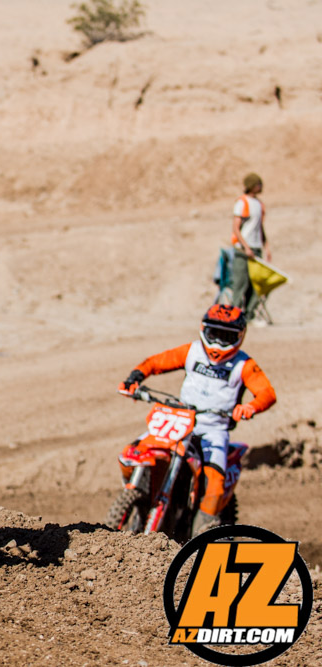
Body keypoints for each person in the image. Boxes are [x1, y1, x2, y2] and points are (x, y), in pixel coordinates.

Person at [117, 304, 276, 535]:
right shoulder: (192, 351)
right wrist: (135, 378)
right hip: (180, 419)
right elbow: (155, 362)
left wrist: (251, 407)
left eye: (226, 336)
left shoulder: (244, 364)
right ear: (204, 329)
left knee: (215, 484)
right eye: (214, 333)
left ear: (240, 336)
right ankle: (139, 493)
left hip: (214, 429)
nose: (218, 342)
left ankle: (203, 534)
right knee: (132, 451)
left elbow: (267, 393)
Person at [228, 172, 272, 322]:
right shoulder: (242, 202)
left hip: (256, 248)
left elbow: (260, 228)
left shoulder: (259, 204)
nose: (261, 186)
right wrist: (246, 247)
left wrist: (266, 247)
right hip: (242, 249)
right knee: (241, 283)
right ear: (251, 185)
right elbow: (236, 228)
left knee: (256, 285)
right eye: (258, 184)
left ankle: (249, 315)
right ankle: (234, 316)